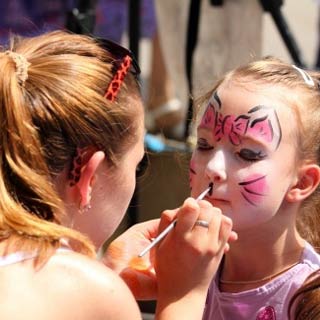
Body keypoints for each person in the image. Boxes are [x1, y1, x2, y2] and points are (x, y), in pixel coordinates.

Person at [0, 29, 237, 319]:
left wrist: (107, 271)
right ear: (91, 174)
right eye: (137, 165)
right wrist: (184, 293)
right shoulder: (95, 294)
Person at [188, 57, 320, 319]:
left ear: (302, 182)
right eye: (204, 144)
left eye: (247, 153)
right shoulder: (184, 260)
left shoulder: (308, 299)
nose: (213, 167)